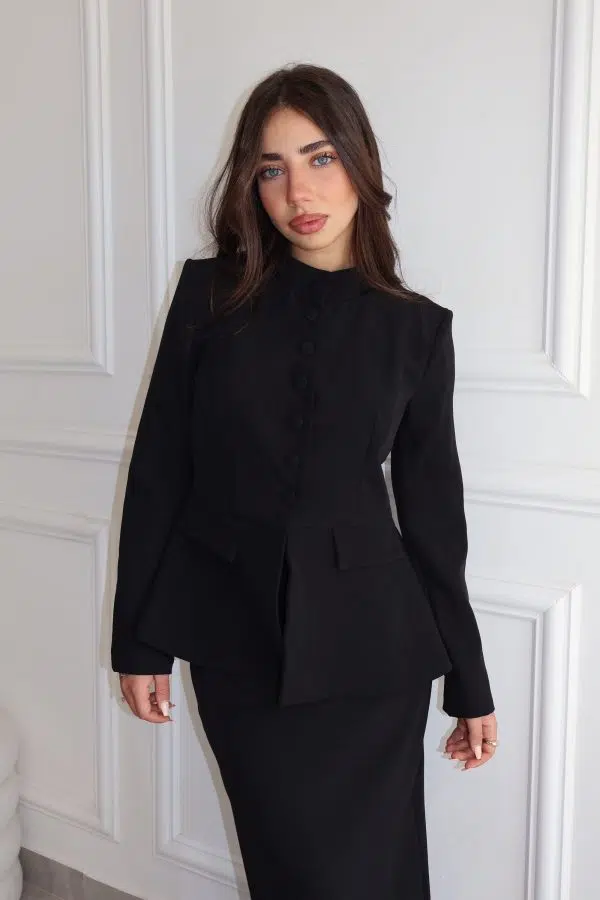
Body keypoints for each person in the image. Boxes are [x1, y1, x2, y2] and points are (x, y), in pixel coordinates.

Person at [113, 62, 498, 898]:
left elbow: (435, 519)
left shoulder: (417, 330)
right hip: (236, 641)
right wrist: (137, 639)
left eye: (320, 158)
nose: (299, 191)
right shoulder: (209, 298)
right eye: (272, 168)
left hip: (373, 661)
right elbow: (160, 469)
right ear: (251, 186)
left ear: (360, 162)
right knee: (291, 874)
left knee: (378, 875)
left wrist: (469, 681)